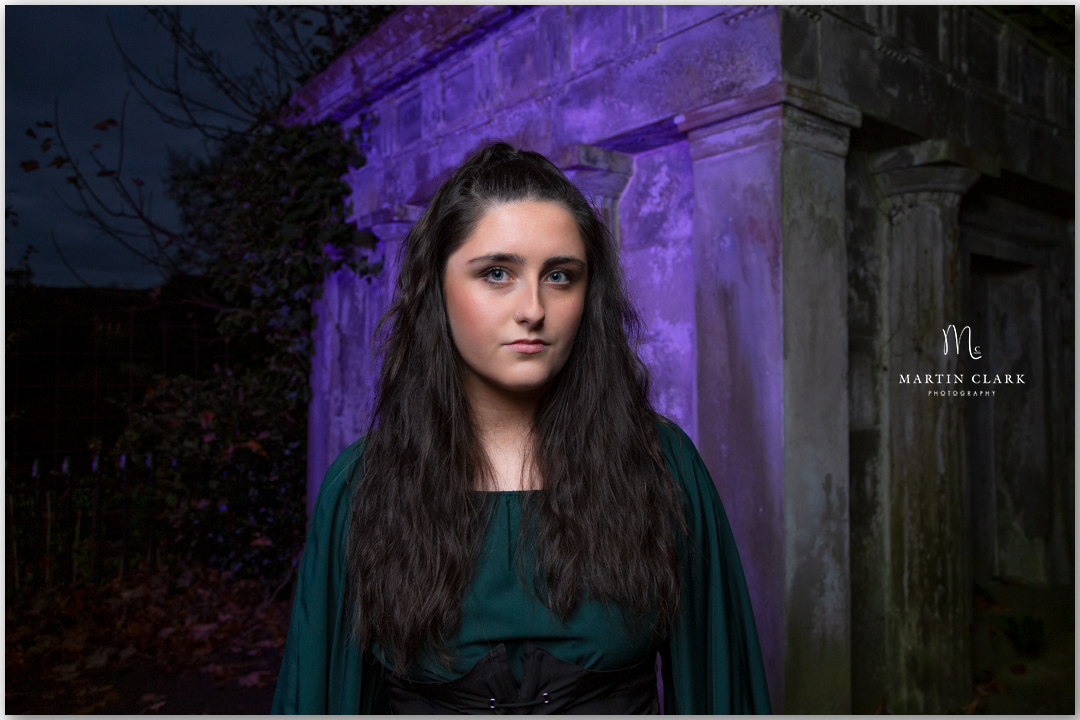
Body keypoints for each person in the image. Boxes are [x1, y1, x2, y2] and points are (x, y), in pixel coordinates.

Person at [271, 142, 771, 714]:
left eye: (560, 275)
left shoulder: (662, 464)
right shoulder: (361, 486)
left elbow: (720, 691)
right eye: (497, 273)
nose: (532, 308)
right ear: (437, 287)